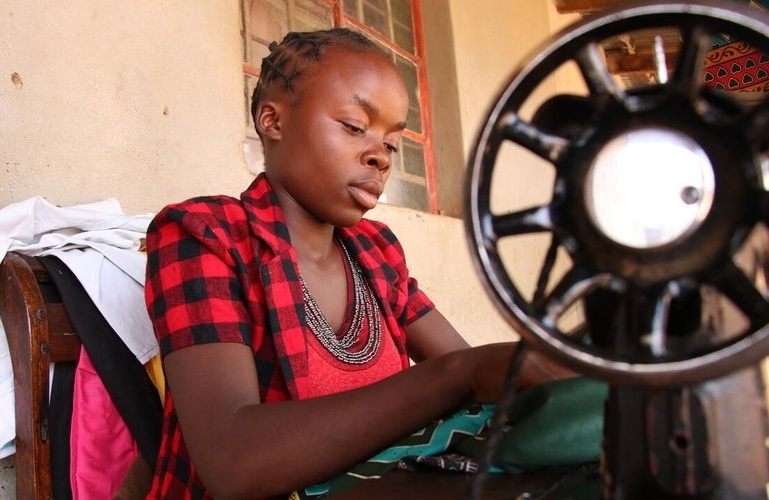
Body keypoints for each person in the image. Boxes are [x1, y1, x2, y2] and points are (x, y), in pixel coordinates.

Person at [144, 28, 573, 499]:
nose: (379, 157)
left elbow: (475, 374)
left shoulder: (376, 251)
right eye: (354, 126)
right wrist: (464, 375)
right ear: (273, 120)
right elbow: (232, 460)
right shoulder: (205, 235)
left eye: (391, 144)